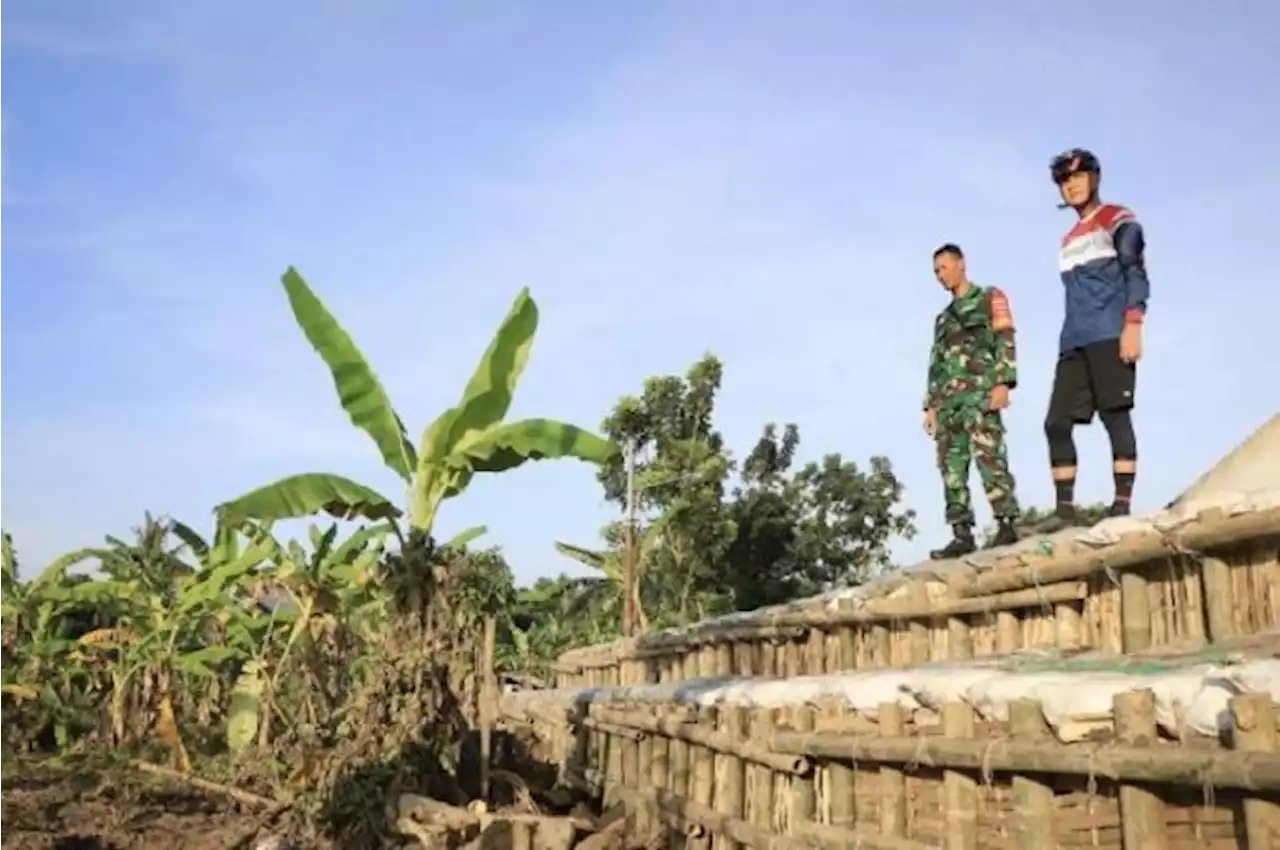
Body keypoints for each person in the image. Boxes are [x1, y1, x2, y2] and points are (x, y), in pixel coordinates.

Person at [1042, 149, 1149, 528]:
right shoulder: (1068, 238)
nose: (1070, 184)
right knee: (1055, 422)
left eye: (1077, 175)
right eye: (1063, 180)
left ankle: (1121, 504)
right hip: (1073, 339)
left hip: (1109, 332)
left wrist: (1133, 322)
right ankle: (1064, 512)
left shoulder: (1116, 218)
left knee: (1114, 415)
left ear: (1095, 178)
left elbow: (1134, 267)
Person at [923, 244, 1022, 559]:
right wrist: (931, 406)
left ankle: (1006, 523)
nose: (940, 276)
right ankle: (961, 532)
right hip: (949, 404)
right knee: (951, 468)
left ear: (961, 264)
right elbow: (936, 363)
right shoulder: (943, 319)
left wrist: (1004, 383)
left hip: (980, 396)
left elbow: (1005, 338)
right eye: (936, 271)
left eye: (944, 268)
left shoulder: (989, 297)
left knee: (990, 458)